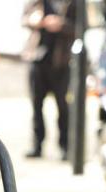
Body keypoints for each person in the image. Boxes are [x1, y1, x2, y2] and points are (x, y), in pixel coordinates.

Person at [22, 0, 76, 159]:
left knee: (63, 107)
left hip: (61, 62)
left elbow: (81, 27)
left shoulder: (73, 3)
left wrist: (61, 25)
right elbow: (24, 19)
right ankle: (37, 146)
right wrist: (34, 20)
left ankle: (65, 147)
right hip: (37, 60)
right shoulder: (37, 2)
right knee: (36, 105)